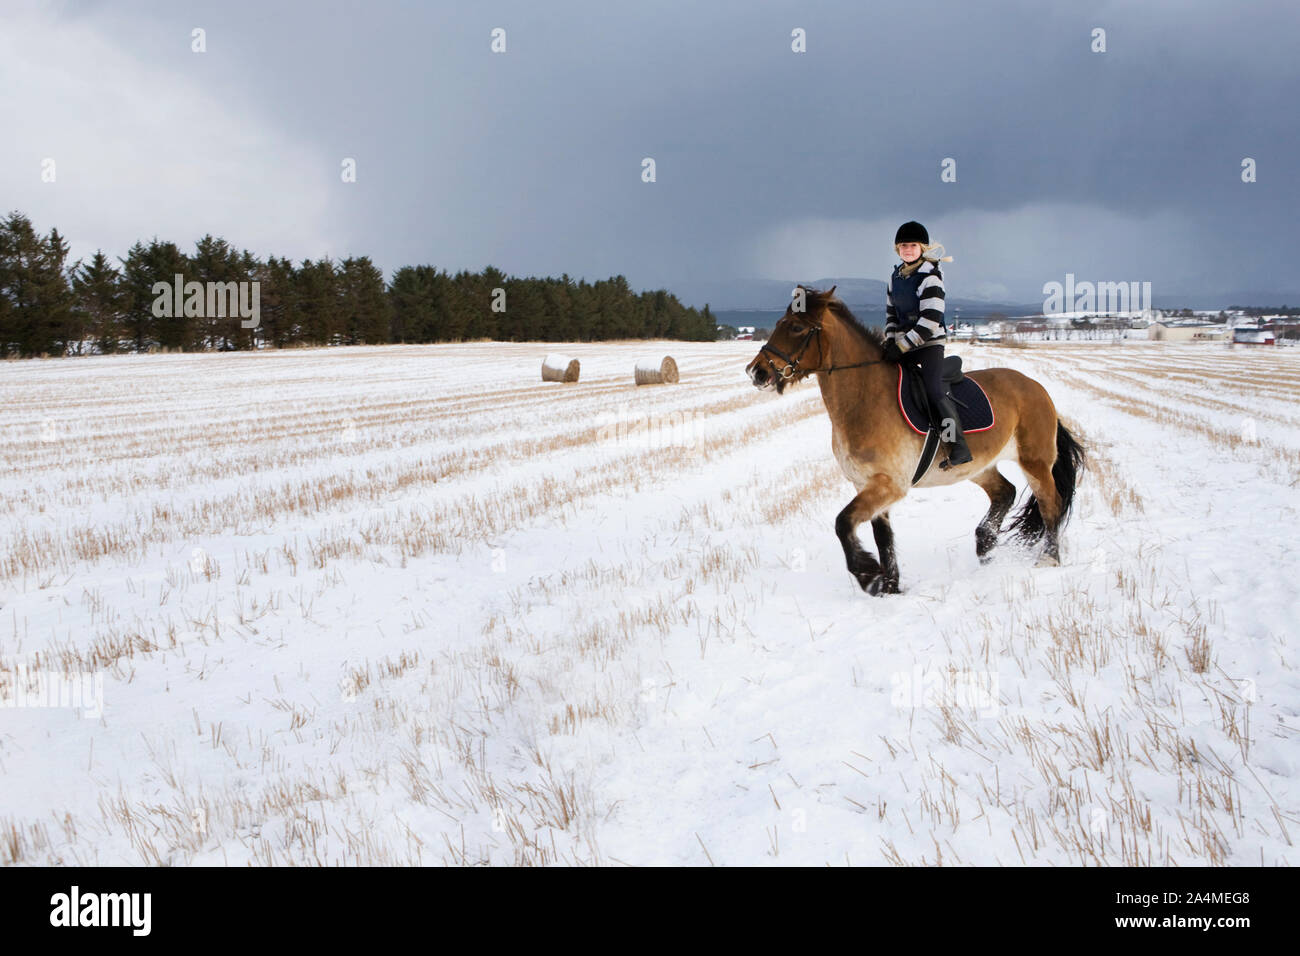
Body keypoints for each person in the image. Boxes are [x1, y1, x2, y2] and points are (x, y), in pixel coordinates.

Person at [881, 221, 972, 468]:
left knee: (933, 389)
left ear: (922, 248)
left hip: (929, 344)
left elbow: (930, 322)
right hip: (904, 344)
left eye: (912, 245)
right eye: (903, 246)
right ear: (897, 249)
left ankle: (958, 446)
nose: (907, 250)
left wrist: (901, 347)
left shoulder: (931, 278)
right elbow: (891, 315)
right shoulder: (895, 277)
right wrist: (890, 341)